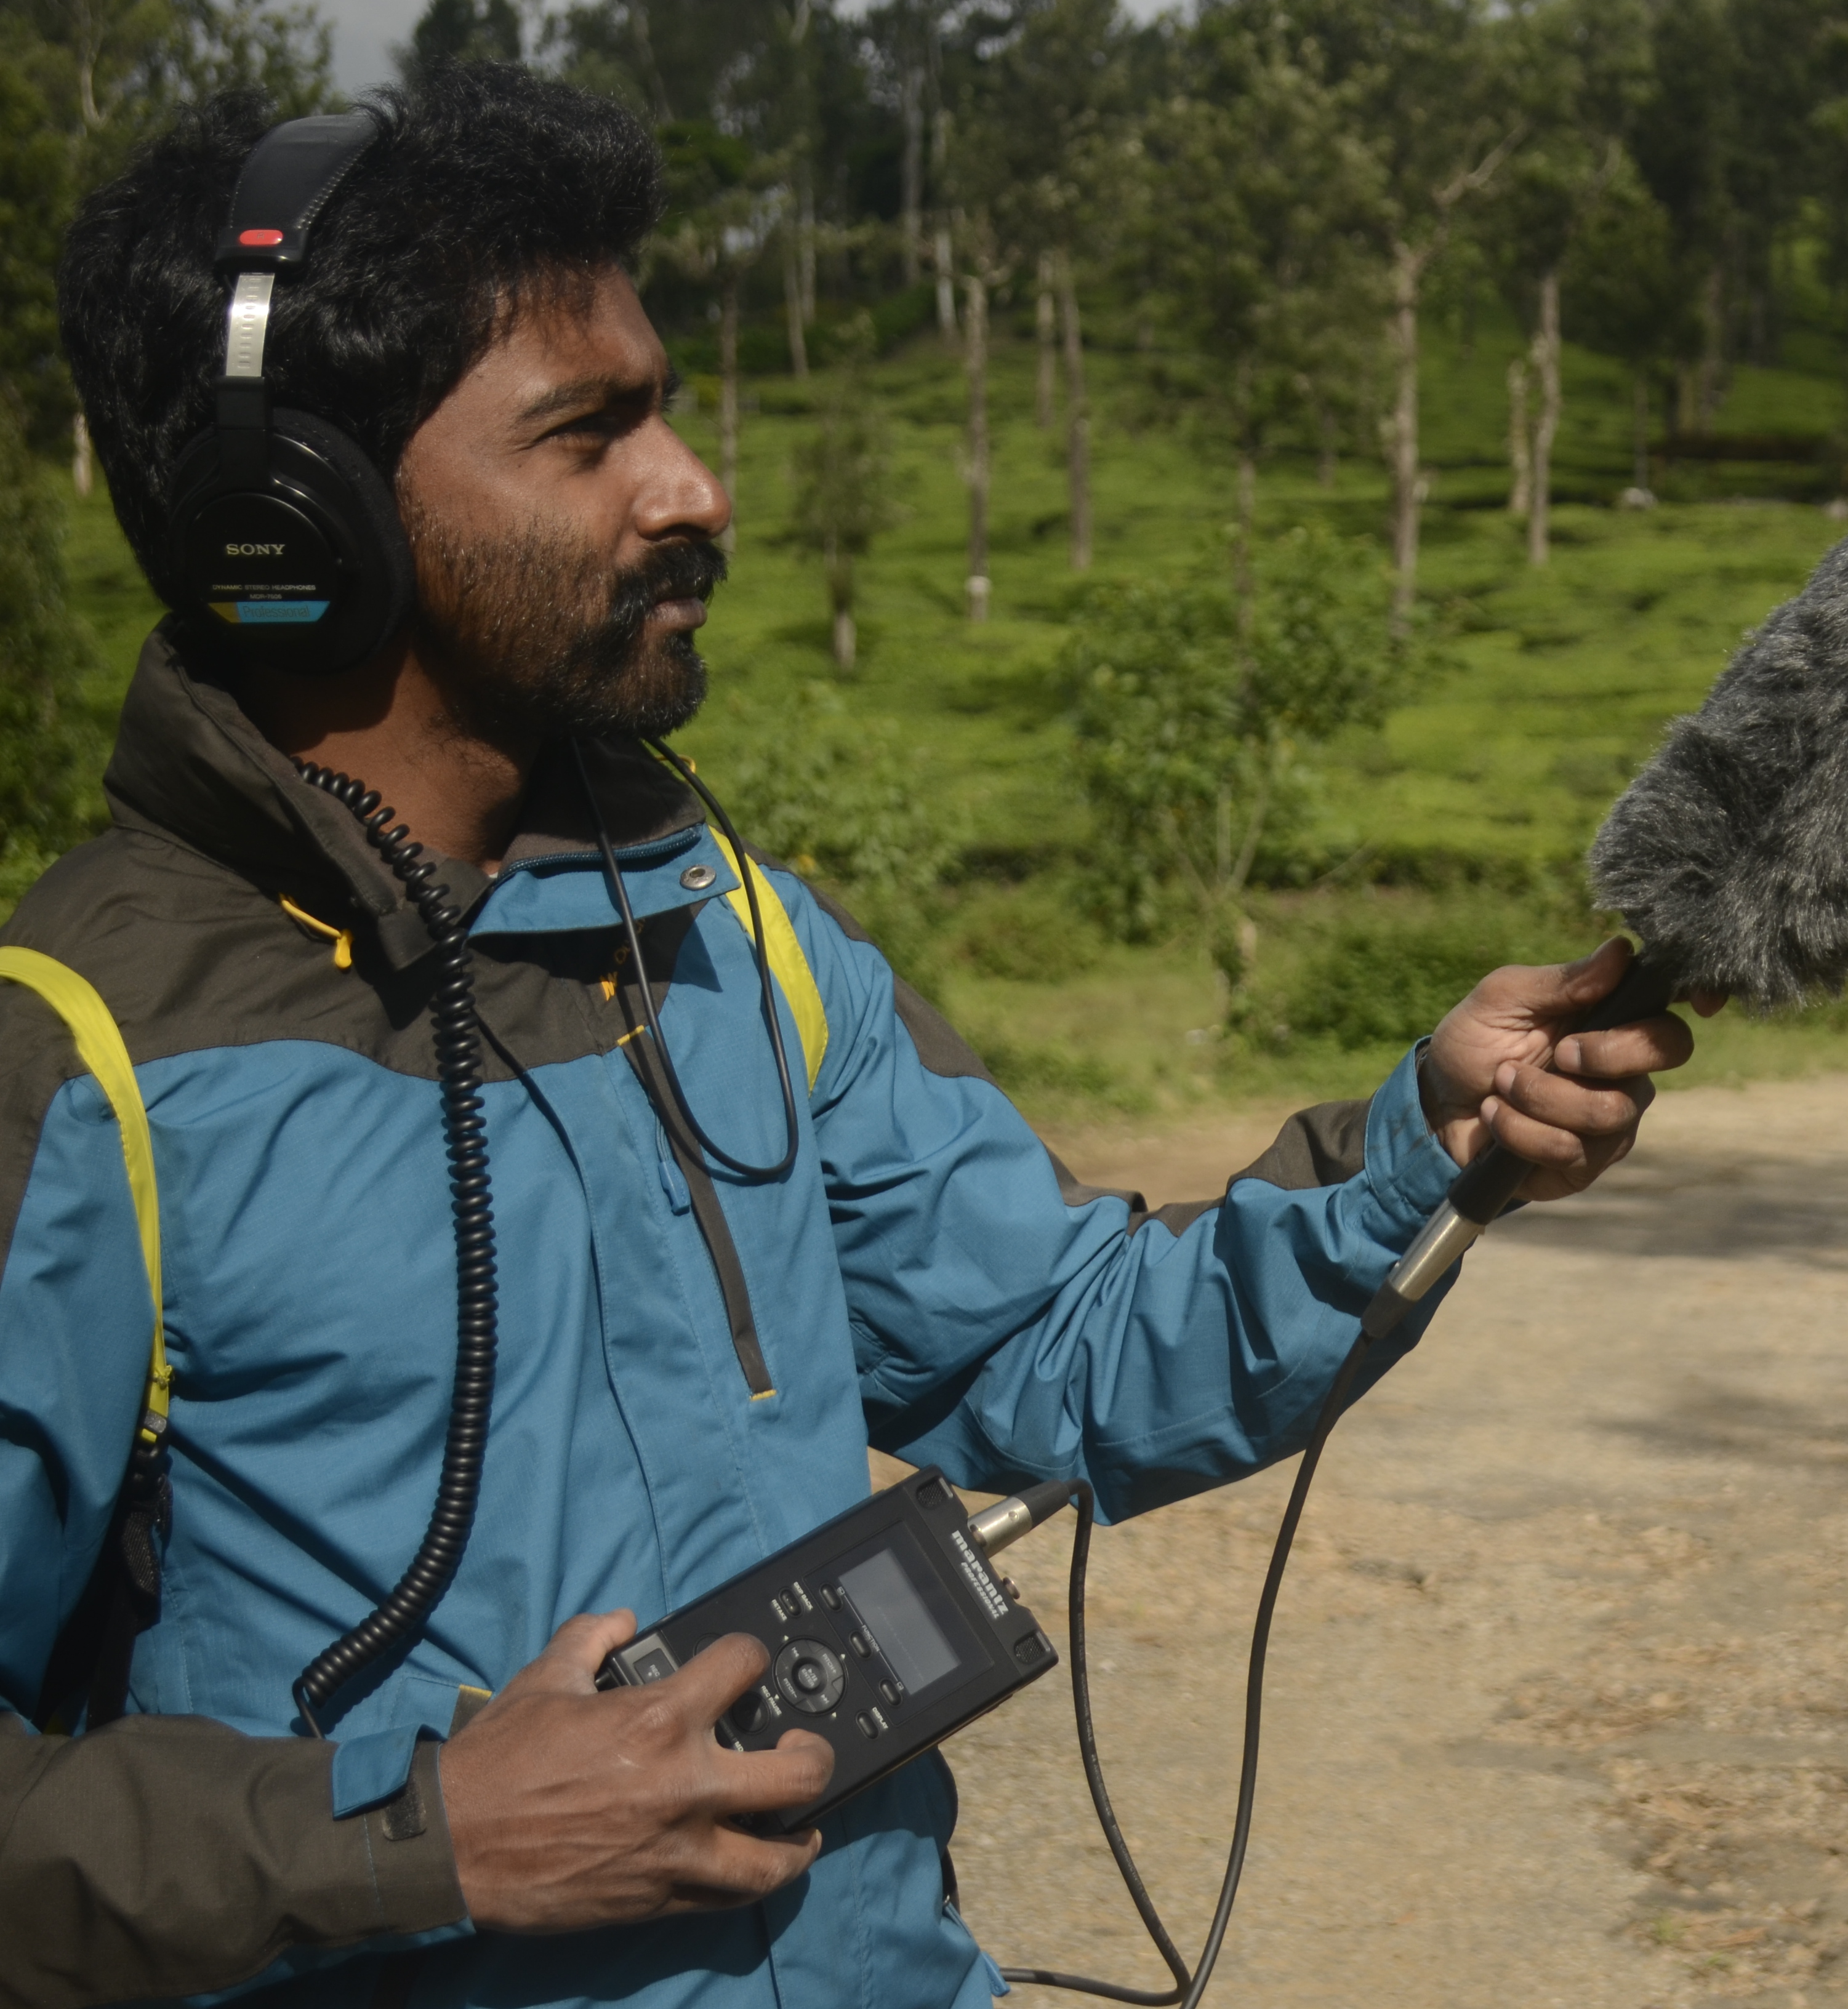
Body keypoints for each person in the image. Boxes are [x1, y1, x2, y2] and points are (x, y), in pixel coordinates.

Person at [0, 66, 1692, 2009]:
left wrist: (1423, 1150)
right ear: (286, 525)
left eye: (671, 404)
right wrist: (420, 1841)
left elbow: (1057, 1351)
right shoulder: (82, 1058)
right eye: (590, 431)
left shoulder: (733, 936)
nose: (696, 486)